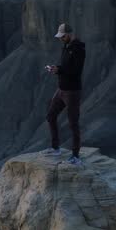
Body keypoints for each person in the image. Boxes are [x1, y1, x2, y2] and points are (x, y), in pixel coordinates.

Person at [43, 22, 86, 164]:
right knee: (51, 116)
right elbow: (66, 66)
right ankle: (56, 148)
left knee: (73, 123)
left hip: (72, 91)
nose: (61, 39)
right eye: (60, 36)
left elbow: (76, 71)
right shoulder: (66, 47)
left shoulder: (78, 48)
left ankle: (75, 156)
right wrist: (56, 68)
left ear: (69, 34)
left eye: (63, 36)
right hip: (61, 90)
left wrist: (59, 70)